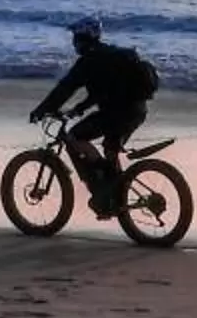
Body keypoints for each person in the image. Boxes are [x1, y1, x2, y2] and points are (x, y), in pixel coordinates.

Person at [29, 16, 156, 218]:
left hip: (116, 113)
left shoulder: (88, 61)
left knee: (74, 137)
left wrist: (41, 110)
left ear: (82, 39)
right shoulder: (112, 55)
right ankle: (113, 197)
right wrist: (79, 109)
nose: (73, 42)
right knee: (110, 148)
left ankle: (105, 183)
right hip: (137, 111)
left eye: (75, 37)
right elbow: (101, 92)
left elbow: (65, 89)